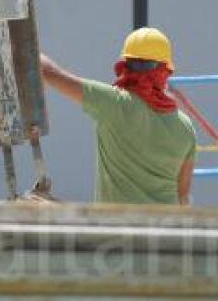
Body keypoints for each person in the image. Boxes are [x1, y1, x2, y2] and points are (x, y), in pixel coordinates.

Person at [40, 27, 196, 205]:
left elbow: (46, 70)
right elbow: (182, 196)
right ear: (165, 71)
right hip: (164, 229)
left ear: (124, 66)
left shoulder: (112, 103)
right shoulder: (185, 127)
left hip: (117, 229)